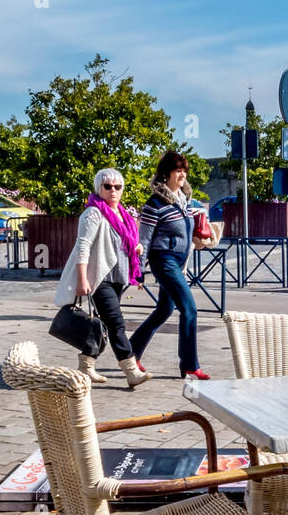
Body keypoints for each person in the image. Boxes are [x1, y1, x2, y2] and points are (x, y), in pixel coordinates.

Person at [54, 168, 151, 388]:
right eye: (108, 186)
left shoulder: (123, 214)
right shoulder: (93, 213)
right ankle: (131, 370)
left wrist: (135, 246)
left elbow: (120, 242)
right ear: (99, 188)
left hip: (119, 277)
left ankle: (86, 367)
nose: (113, 191)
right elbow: (83, 245)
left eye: (117, 186)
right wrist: (82, 279)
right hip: (100, 278)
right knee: (117, 323)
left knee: (105, 325)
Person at [129, 150, 209, 380]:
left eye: (184, 170)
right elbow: (143, 239)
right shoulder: (155, 204)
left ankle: (131, 352)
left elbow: (189, 232)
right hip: (163, 261)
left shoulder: (185, 201)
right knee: (190, 308)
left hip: (178, 261)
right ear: (166, 174)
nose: (182, 174)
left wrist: (200, 238)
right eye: (177, 170)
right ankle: (190, 364)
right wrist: (138, 271)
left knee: (165, 309)